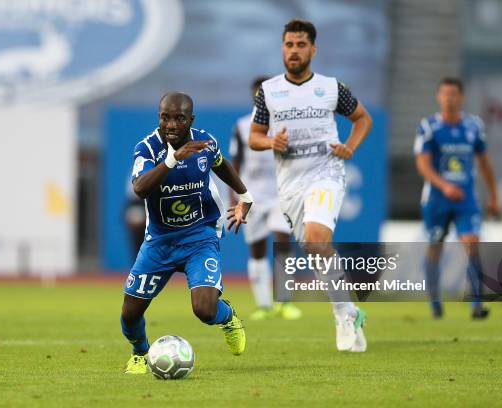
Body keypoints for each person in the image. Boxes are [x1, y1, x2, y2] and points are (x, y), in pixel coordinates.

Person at [248, 19, 373, 352]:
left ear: (313, 49)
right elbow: (254, 137)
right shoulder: (269, 92)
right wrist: (271, 142)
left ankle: (343, 318)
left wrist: (350, 147)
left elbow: (363, 119)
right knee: (317, 254)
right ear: (282, 48)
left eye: (301, 45)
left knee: (318, 239)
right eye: (289, 44)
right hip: (289, 185)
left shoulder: (332, 88)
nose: (294, 51)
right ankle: (351, 311)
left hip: (326, 173)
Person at [121, 91, 252, 374]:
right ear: (158, 118)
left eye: (178, 118)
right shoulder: (146, 149)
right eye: (164, 117)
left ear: (190, 120)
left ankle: (227, 317)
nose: (170, 124)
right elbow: (140, 188)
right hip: (160, 242)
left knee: (205, 310)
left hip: (199, 236)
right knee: (129, 314)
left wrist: (246, 195)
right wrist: (171, 160)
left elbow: (222, 165)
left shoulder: (204, 143)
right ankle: (140, 352)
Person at [414, 77, 499, 319]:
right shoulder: (429, 126)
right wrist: (444, 185)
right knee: (435, 248)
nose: (449, 99)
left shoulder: (474, 126)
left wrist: (493, 195)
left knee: (472, 244)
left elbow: (484, 163)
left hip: (465, 199)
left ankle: (476, 305)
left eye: (453, 94)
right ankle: (435, 304)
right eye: (445, 94)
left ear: (461, 97)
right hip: (436, 200)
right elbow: (422, 164)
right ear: (438, 97)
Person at [229, 76, 302, 321]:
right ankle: (263, 305)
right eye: (257, 93)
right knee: (257, 248)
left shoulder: (286, 125)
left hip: (282, 193)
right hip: (253, 195)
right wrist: (235, 198)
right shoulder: (241, 126)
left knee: (283, 241)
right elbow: (235, 164)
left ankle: (285, 301)